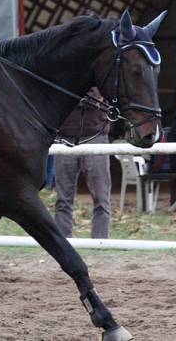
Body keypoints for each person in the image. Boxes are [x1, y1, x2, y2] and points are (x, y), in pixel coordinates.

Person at [53, 87, 111, 239]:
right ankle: (63, 242)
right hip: (64, 138)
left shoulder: (99, 71)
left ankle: (100, 243)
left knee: (101, 197)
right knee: (63, 198)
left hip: (95, 137)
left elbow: (95, 99)